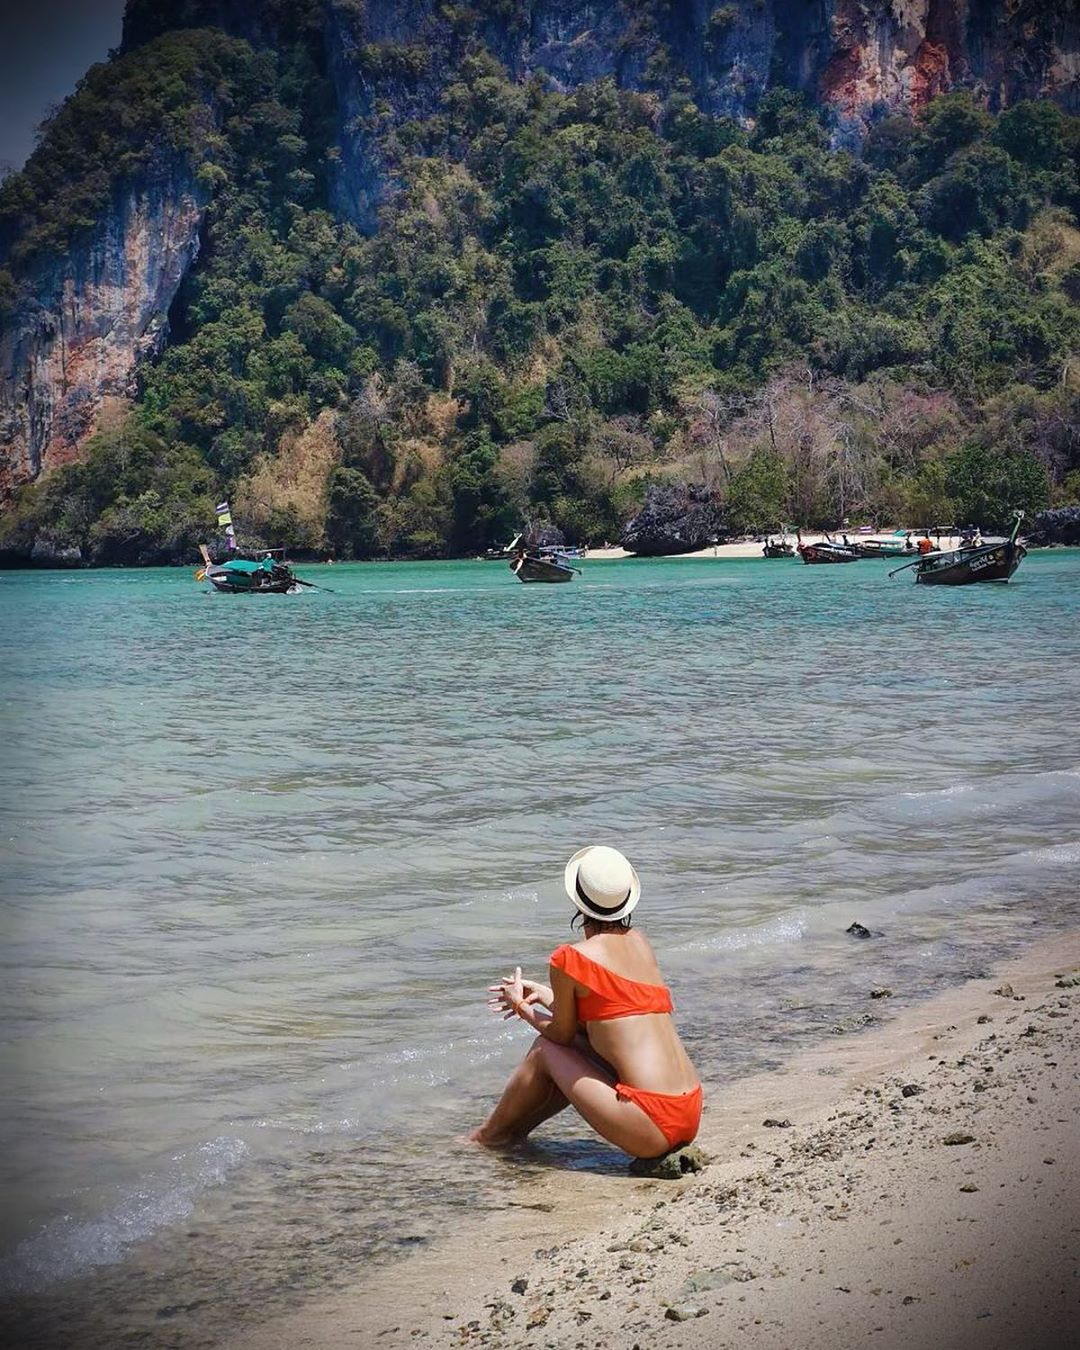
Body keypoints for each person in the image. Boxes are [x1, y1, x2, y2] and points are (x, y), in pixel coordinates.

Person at [470, 846, 702, 1159]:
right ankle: (511, 1135)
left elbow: (560, 1035)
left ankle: (489, 1136)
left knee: (545, 1050)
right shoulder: (640, 942)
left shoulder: (570, 958)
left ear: (579, 902)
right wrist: (545, 995)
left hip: (651, 1124)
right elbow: (611, 1019)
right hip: (690, 1111)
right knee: (579, 1044)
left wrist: (522, 1008)